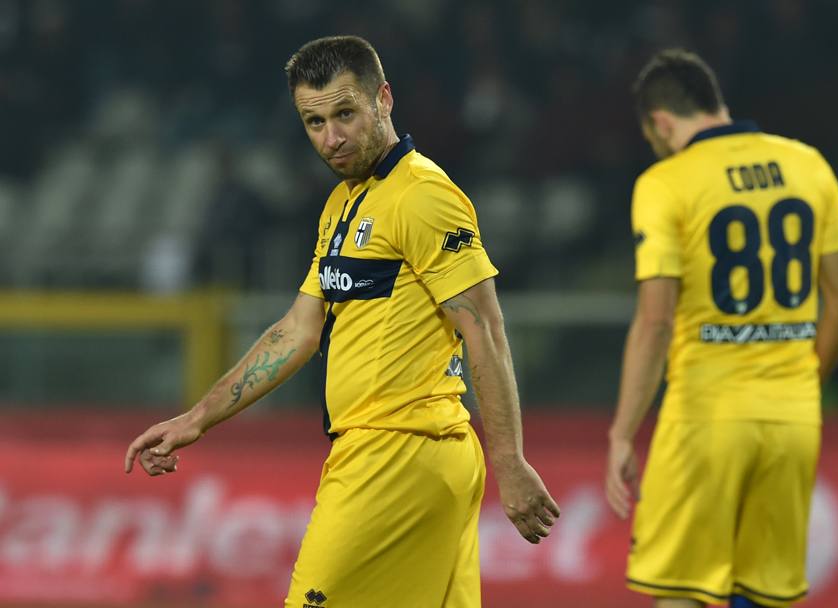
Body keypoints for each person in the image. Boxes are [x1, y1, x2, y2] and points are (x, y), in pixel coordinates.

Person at [125, 35, 560, 607]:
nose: (331, 138)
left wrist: (512, 462)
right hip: (416, 456)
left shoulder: (423, 196)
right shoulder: (344, 203)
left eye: (345, 114)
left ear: (384, 99)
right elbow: (297, 331)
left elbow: (485, 327)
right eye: (314, 122)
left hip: (395, 456)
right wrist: (197, 417)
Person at [604, 49, 838, 608]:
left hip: (705, 418)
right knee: (766, 594)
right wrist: (801, 383)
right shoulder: (808, 165)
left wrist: (623, 430)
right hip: (792, 418)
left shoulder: (666, 182)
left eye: (657, 140)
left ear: (662, 122)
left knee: (682, 593)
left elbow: (655, 320)